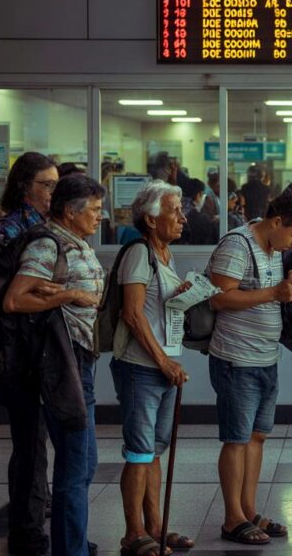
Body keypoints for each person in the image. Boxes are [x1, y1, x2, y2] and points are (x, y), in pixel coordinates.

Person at [206, 186, 292, 545]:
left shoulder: (273, 249)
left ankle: (249, 510)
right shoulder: (237, 244)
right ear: (276, 220)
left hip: (265, 357)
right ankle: (231, 518)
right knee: (236, 439)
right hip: (236, 358)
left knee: (257, 436)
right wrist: (274, 294)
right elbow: (220, 298)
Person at [3, 175, 107, 556]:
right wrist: (70, 294)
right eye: (94, 210)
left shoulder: (74, 241)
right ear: (70, 211)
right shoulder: (48, 244)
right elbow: (15, 300)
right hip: (61, 364)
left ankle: (73, 541)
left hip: (80, 360)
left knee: (84, 461)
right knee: (75, 463)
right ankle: (71, 549)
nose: (101, 217)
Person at [109, 180, 195, 556]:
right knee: (140, 451)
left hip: (162, 367)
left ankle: (155, 528)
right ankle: (133, 533)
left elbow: (153, 308)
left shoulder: (164, 256)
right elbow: (131, 313)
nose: (182, 217)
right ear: (150, 218)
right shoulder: (138, 254)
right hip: (142, 367)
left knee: (155, 450)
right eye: (174, 210)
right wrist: (162, 361)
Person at [0, 152, 59, 555]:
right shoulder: (16, 229)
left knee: (33, 438)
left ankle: (33, 510)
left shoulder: (38, 226)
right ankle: (27, 527)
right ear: (22, 187)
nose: (52, 192)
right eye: (45, 185)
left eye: (55, 185)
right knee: (30, 441)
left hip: (34, 347)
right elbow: (17, 296)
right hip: (18, 350)